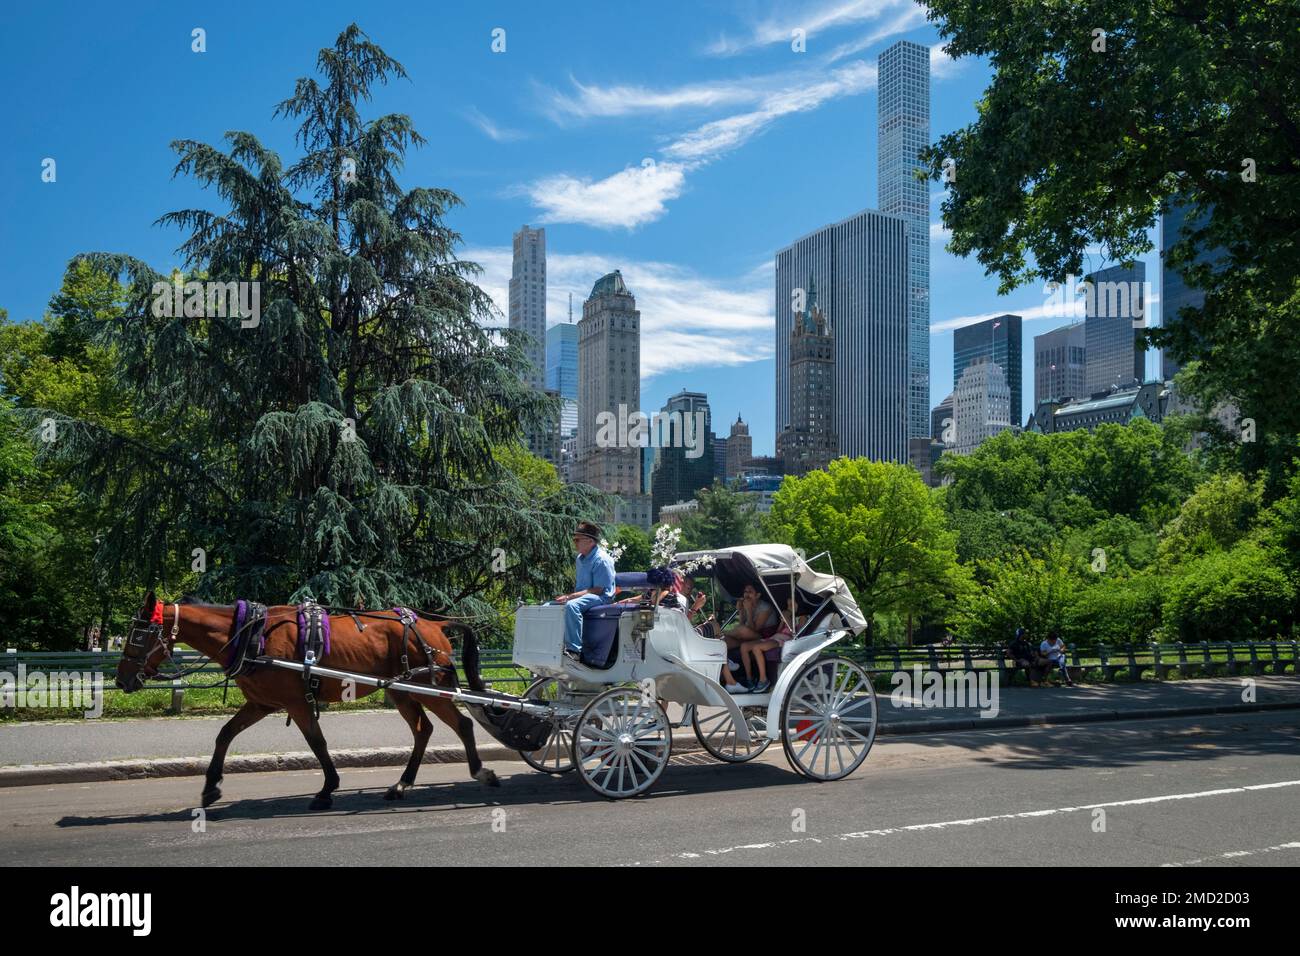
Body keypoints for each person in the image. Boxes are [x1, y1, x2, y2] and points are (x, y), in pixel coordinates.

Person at [552, 521, 616, 664]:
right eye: (574, 539)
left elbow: (598, 590)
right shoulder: (580, 559)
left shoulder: (602, 560)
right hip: (586, 596)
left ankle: (574, 651)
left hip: (602, 598)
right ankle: (552, 645)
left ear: (590, 541)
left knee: (571, 606)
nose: (574, 543)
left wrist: (570, 597)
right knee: (549, 606)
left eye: (577, 540)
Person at [734, 595, 803, 694]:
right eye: (788, 605)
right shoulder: (786, 614)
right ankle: (749, 678)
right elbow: (779, 630)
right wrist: (782, 622)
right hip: (776, 636)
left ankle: (763, 679)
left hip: (786, 640)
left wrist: (787, 618)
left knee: (757, 648)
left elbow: (797, 633)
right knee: (744, 646)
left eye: (792, 604)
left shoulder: (801, 617)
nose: (790, 606)